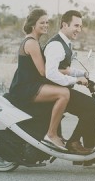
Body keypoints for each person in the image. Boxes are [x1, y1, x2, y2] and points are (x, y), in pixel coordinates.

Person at [44, 10, 95, 163]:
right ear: (64, 24)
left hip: (63, 89)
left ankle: (88, 153)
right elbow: (51, 73)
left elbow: (65, 68)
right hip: (55, 91)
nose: (78, 30)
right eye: (75, 26)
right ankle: (74, 143)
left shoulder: (65, 43)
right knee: (93, 106)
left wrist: (86, 74)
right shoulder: (56, 45)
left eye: (80, 26)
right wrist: (75, 80)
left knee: (92, 107)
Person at [7, 8, 70, 150]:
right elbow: (43, 71)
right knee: (64, 94)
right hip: (25, 88)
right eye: (42, 22)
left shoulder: (34, 41)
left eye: (47, 22)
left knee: (61, 92)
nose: (46, 25)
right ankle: (51, 134)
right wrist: (67, 73)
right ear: (33, 25)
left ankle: (55, 133)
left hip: (29, 84)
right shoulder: (31, 43)